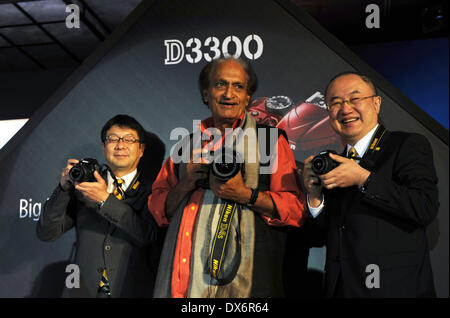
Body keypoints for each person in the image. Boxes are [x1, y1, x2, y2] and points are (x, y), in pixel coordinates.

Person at [149, 57, 307, 298]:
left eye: (238, 86)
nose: (228, 94)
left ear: (247, 98)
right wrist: (186, 182)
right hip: (183, 287)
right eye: (220, 84)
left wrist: (246, 195)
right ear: (206, 94)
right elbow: (159, 211)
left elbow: (295, 211)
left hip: (244, 291)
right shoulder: (185, 146)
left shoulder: (271, 141)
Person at [302, 71, 439, 297]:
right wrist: (315, 198)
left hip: (393, 289)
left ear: (376, 103)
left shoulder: (406, 145)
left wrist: (363, 179)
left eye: (355, 99)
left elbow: (424, 207)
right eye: (335, 103)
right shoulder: (333, 163)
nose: (345, 109)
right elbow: (324, 236)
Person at [37, 114, 164, 297]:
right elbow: (46, 233)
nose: (120, 145)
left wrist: (105, 200)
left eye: (129, 139)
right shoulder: (84, 187)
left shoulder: (155, 191)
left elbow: (148, 236)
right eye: (112, 139)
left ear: (141, 149)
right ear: (104, 148)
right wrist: (63, 189)